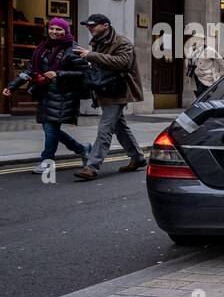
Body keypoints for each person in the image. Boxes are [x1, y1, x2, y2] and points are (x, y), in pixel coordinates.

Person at [2, 17, 89, 174]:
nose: (54, 32)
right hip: (45, 94)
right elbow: (29, 70)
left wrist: (58, 73)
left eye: (59, 29)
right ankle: (82, 149)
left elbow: (85, 73)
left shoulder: (73, 49)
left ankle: (47, 162)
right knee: (51, 130)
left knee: (50, 129)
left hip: (63, 96)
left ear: (66, 31)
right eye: (52, 28)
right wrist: (12, 86)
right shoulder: (43, 48)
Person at [73, 13, 146, 180]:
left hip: (119, 91)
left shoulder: (122, 42)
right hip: (106, 90)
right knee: (120, 128)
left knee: (105, 128)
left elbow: (123, 62)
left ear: (105, 25)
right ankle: (138, 158)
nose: (90, 28)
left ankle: (92, 166)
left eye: (93, 25)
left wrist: (91, 55)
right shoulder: (98, 42)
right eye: (88, 26)